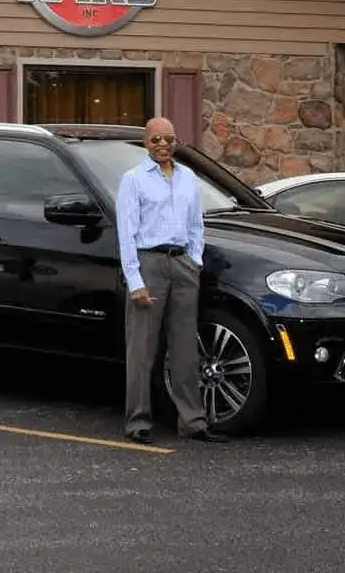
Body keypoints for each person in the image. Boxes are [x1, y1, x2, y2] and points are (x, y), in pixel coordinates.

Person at [114, 116, 227, 444]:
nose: (163, 145)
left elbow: (196, 225)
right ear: (145, 143)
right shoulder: (133, 180)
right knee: (142, 350)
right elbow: (126, 233)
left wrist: (195, 261)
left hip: (182, 266)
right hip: (149, 265)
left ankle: (193, 422)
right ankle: (138, 422)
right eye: (156, 140)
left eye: (169, 139)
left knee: (185, 348)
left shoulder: (188, 177)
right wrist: (135, 280)